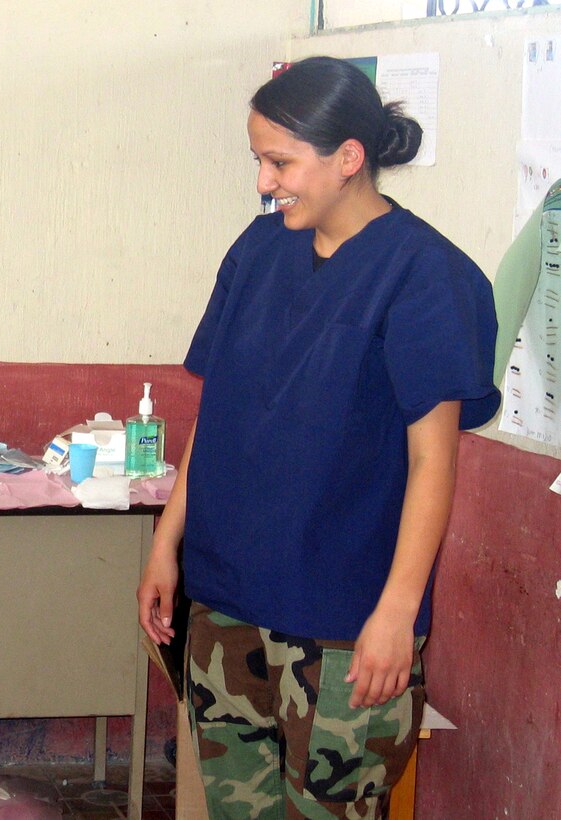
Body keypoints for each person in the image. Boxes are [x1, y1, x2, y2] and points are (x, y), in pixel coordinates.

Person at [137, 56, 500, 819]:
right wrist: (167, 542)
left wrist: (395, 615)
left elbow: (433, 459)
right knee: (240, 809)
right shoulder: (258, 251)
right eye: (258, 161)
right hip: (226, 598)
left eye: (279, 162)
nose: (264, 182)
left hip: (342, 620)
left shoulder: (425, 275)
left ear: (347, 158)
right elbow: (220, 411)